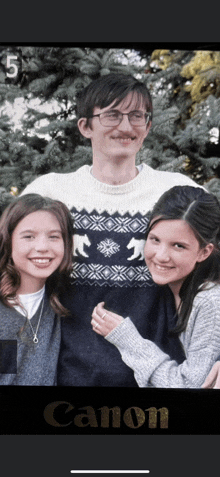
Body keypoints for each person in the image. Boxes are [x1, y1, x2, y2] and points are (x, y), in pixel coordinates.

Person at [21, 73, 201, 386]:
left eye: (137, 116)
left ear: (146, 127)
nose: (126, 126)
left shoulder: (179, 192)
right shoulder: (50, 193)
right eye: (112, 115)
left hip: (159, 378)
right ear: (85, 126)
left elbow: (213, 280)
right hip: (63, 380)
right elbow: (10, 282)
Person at [91, 185, 220, 388]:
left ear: (204, 252)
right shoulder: (174, 289)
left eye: (178, 246)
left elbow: (189, 386)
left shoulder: (209, 301)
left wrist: (128, 339)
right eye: (155, 240)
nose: (161, 256)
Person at [0, 193, 73, 385]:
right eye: (29, 236)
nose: (42, 247)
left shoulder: (59, 301)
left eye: (54, 237)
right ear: (8, 241)